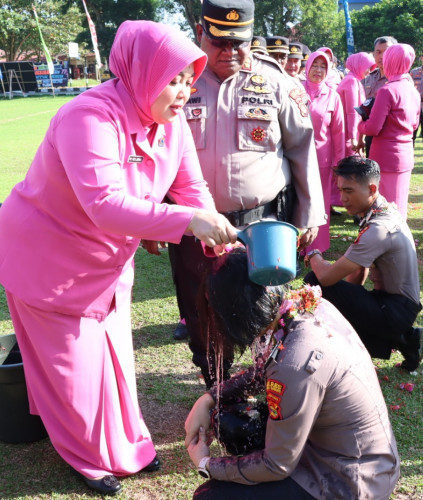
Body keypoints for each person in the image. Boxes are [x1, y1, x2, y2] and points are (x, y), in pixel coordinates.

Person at [0, 20, 238, 496]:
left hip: (106, 263)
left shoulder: (171, 122)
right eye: (173, 79)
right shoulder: (89, 117)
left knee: (116, 364)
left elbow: (191, 188)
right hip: (48, 263)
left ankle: (130, 448)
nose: (184, 91)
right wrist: (187, 222)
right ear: (141, 72)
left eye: (189, 79)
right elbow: (103, 203)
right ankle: (85, 459)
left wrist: (213, 229)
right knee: (74, 376)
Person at [170, 0, 325, 388]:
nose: (230, 52)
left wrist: (307, 216)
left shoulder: (275, 82)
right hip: (195, 227)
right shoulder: (178, 82)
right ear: (200, 34)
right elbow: (157, 155)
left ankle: (266, 387)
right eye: (219, 42)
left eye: (239, 43)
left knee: (265, 311)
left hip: (263, 226)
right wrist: (152, 219)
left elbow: (302, 152)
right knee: (200, 309)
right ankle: (216, 385)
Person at [184, 249, 400, 499]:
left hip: (346, 484)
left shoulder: (295, 365)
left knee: (211, 496)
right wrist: (209, 399)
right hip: (359, 463)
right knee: (233, 425)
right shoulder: (308, 306)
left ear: (238, 314)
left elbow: (277, 465)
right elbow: (267, 366)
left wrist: (206, 465)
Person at [303, 156, 423, 372]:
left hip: (395, 311)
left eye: (349, 191)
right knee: (339, 295)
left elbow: (326, 277)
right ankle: (403, 339)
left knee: (315, 282)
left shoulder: (379, 227)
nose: (342, 199)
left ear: (371, 188)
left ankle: (400, 337)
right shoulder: (381, 210)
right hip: (394, 305)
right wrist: (349, 305)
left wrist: (312, 253)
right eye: (340, 190)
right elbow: (360, 269)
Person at [358, 44, 421, 219]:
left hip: (386, 155)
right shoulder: (413, 91)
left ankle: (389, 244)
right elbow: (415, 124)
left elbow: (373, 128)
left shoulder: (387, 90)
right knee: (399, 205)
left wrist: (360, 125)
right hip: (405, 152)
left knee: (385, 209)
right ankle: (398, 243)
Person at [303, 48, 344, 253]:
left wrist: (339, 162)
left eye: (323, 66)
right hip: (298, 157)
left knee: (320, 202)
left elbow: (339, 132)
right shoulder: (296, 90)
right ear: (307, 67)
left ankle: (316, 247)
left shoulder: (333, 96)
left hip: (322, 159)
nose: (318, 70)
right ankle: (298, 245)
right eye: (315, 65)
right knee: (299, 200)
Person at [362, 35, 397, 155]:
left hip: (390, 134)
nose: (382, 56)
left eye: (386, 51)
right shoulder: (369, 78)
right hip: (370, 129)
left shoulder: (400, 80)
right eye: (378, 52)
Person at [337, 51, 376, 158]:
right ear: (359, 65)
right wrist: (353, 138)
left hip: (350, 132)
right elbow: (352, 112)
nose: (369, 72)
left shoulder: (354, 80)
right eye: (367, 67)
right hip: (347, 135)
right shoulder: (351, 81)